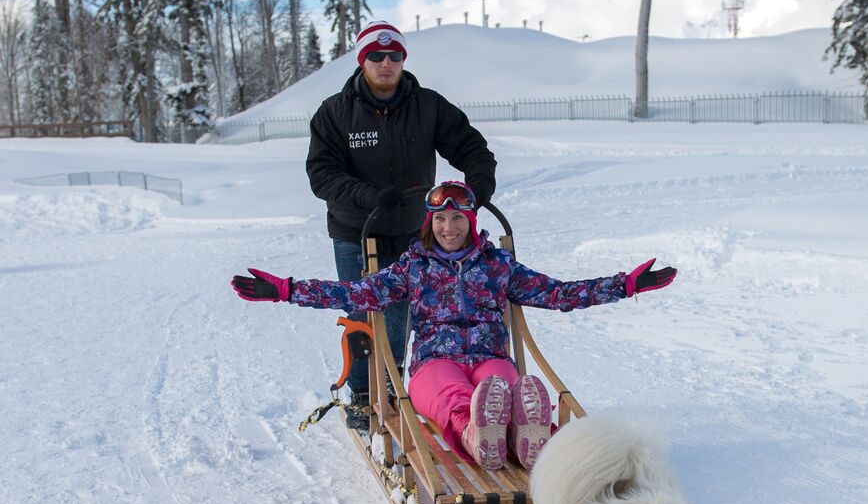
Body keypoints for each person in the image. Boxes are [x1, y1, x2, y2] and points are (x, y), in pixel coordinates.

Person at [232, 181, 677, 471]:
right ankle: (479, 433)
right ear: (430, 223)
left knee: (501, 384)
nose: (449, 226)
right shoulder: (413, 266)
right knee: (454, 397)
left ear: (471, 222)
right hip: (435, 362)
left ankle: (526, 432)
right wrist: (286, 289)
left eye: (458, 218)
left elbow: (558, 294)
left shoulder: (497, 263)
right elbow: (355, 294)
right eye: (440, 219)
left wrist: (626, 285)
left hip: (489, 357)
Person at [306, 19, 498, 430]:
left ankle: (391, 385)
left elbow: (470, 147)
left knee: (403, 314)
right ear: (362, 61)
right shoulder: (335, 113)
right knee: (361, 312)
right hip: (356, 232)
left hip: (413, 231)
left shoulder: (428, 106)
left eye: (394, 55)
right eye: (376, 55)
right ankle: (361, 394)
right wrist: (368, 195)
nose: (386, 63)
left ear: (403, 59)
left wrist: (478, 184)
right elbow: (322, 175)